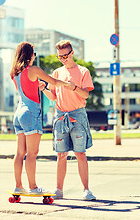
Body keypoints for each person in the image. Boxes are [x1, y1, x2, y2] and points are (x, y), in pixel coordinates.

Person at [10, 42, 71, 195]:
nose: (35, 56)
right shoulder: (34, 69)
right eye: (34, 53)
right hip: (31, 113)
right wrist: (69, 84)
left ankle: (18, 186)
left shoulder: (14, 72)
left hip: (19, 113)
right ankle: (33, 187)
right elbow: (54, 82)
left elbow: (26, 88)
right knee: (32, 153)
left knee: (19, 153)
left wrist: (37, 85)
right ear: (30, 55)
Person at [40, 40, 96, 200]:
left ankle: (86, 190)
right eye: (59, 57)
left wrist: (73, 87)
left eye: (65, 55)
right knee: (61, 154)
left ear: (72, 53)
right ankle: (59, 189)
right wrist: (44, 89)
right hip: (60, 115)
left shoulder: (83, 71)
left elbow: (86, 95)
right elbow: (53, 97)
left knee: (80, 154)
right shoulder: (57, 73)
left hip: (77, 115)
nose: (63, 59)